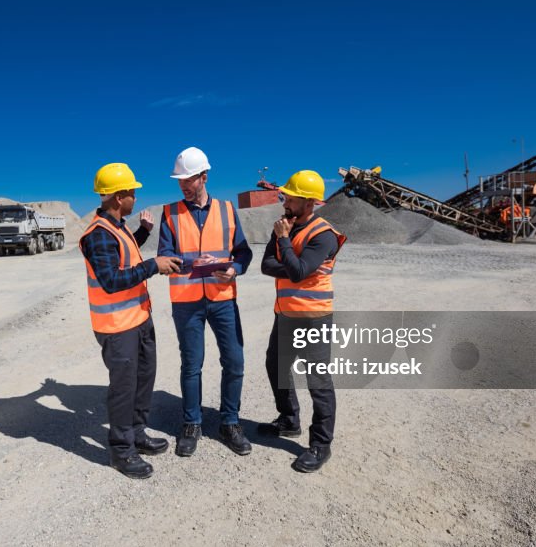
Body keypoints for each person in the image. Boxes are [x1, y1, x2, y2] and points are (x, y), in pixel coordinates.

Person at [80, 162, 182, 479]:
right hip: (117, 327)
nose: (135, 197)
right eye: (131, 193)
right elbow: (111, 279)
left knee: (143, 380)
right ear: (116, 196)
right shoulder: (97, 234)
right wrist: (154, 265)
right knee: (124, 388)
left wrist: (144, 232)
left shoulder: (118, 227)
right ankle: (121, 451)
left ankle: (137, 434)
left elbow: (124, 252)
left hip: (138, 320)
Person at [158, 147, 254, 456]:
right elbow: (165, 257)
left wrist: (233, 267)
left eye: (189, 178)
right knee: (192, 365)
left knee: (235, 362)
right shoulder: (170, 213)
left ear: (204, 176)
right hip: (186, 301)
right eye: (180, 180)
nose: (183, 185)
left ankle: (230, 422)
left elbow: (244, 252)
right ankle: (192, 423)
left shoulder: (227, 210)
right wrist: (193, 261)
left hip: (222, 298)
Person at [259, 170, 346, 473]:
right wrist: (286, 252)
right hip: (285, 314)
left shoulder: (323, 235)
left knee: (317, 381)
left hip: (313, 318)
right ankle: (289, 419)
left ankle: (321, 445)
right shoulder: (285, 225)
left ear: (308, 203)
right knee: (276, 367)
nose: (284, 200)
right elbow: (266, 265)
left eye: (291, 197)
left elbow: (298, 271)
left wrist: (283, 242)